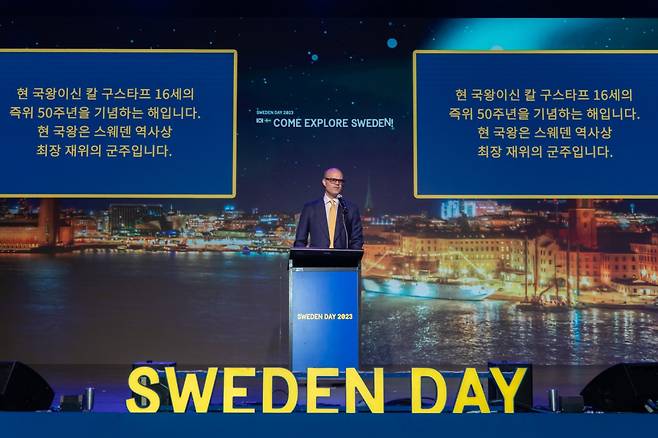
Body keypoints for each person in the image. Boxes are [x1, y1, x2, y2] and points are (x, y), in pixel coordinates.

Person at [293, 167, 363, 249]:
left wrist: (350, 259)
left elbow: (357, 240)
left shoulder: (351, 209)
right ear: (324, 182)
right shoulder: (310, 208)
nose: (337, 183)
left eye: (340, 181)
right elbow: (300, 241)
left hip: (343, 260)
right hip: (315, 260)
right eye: (333, 180)